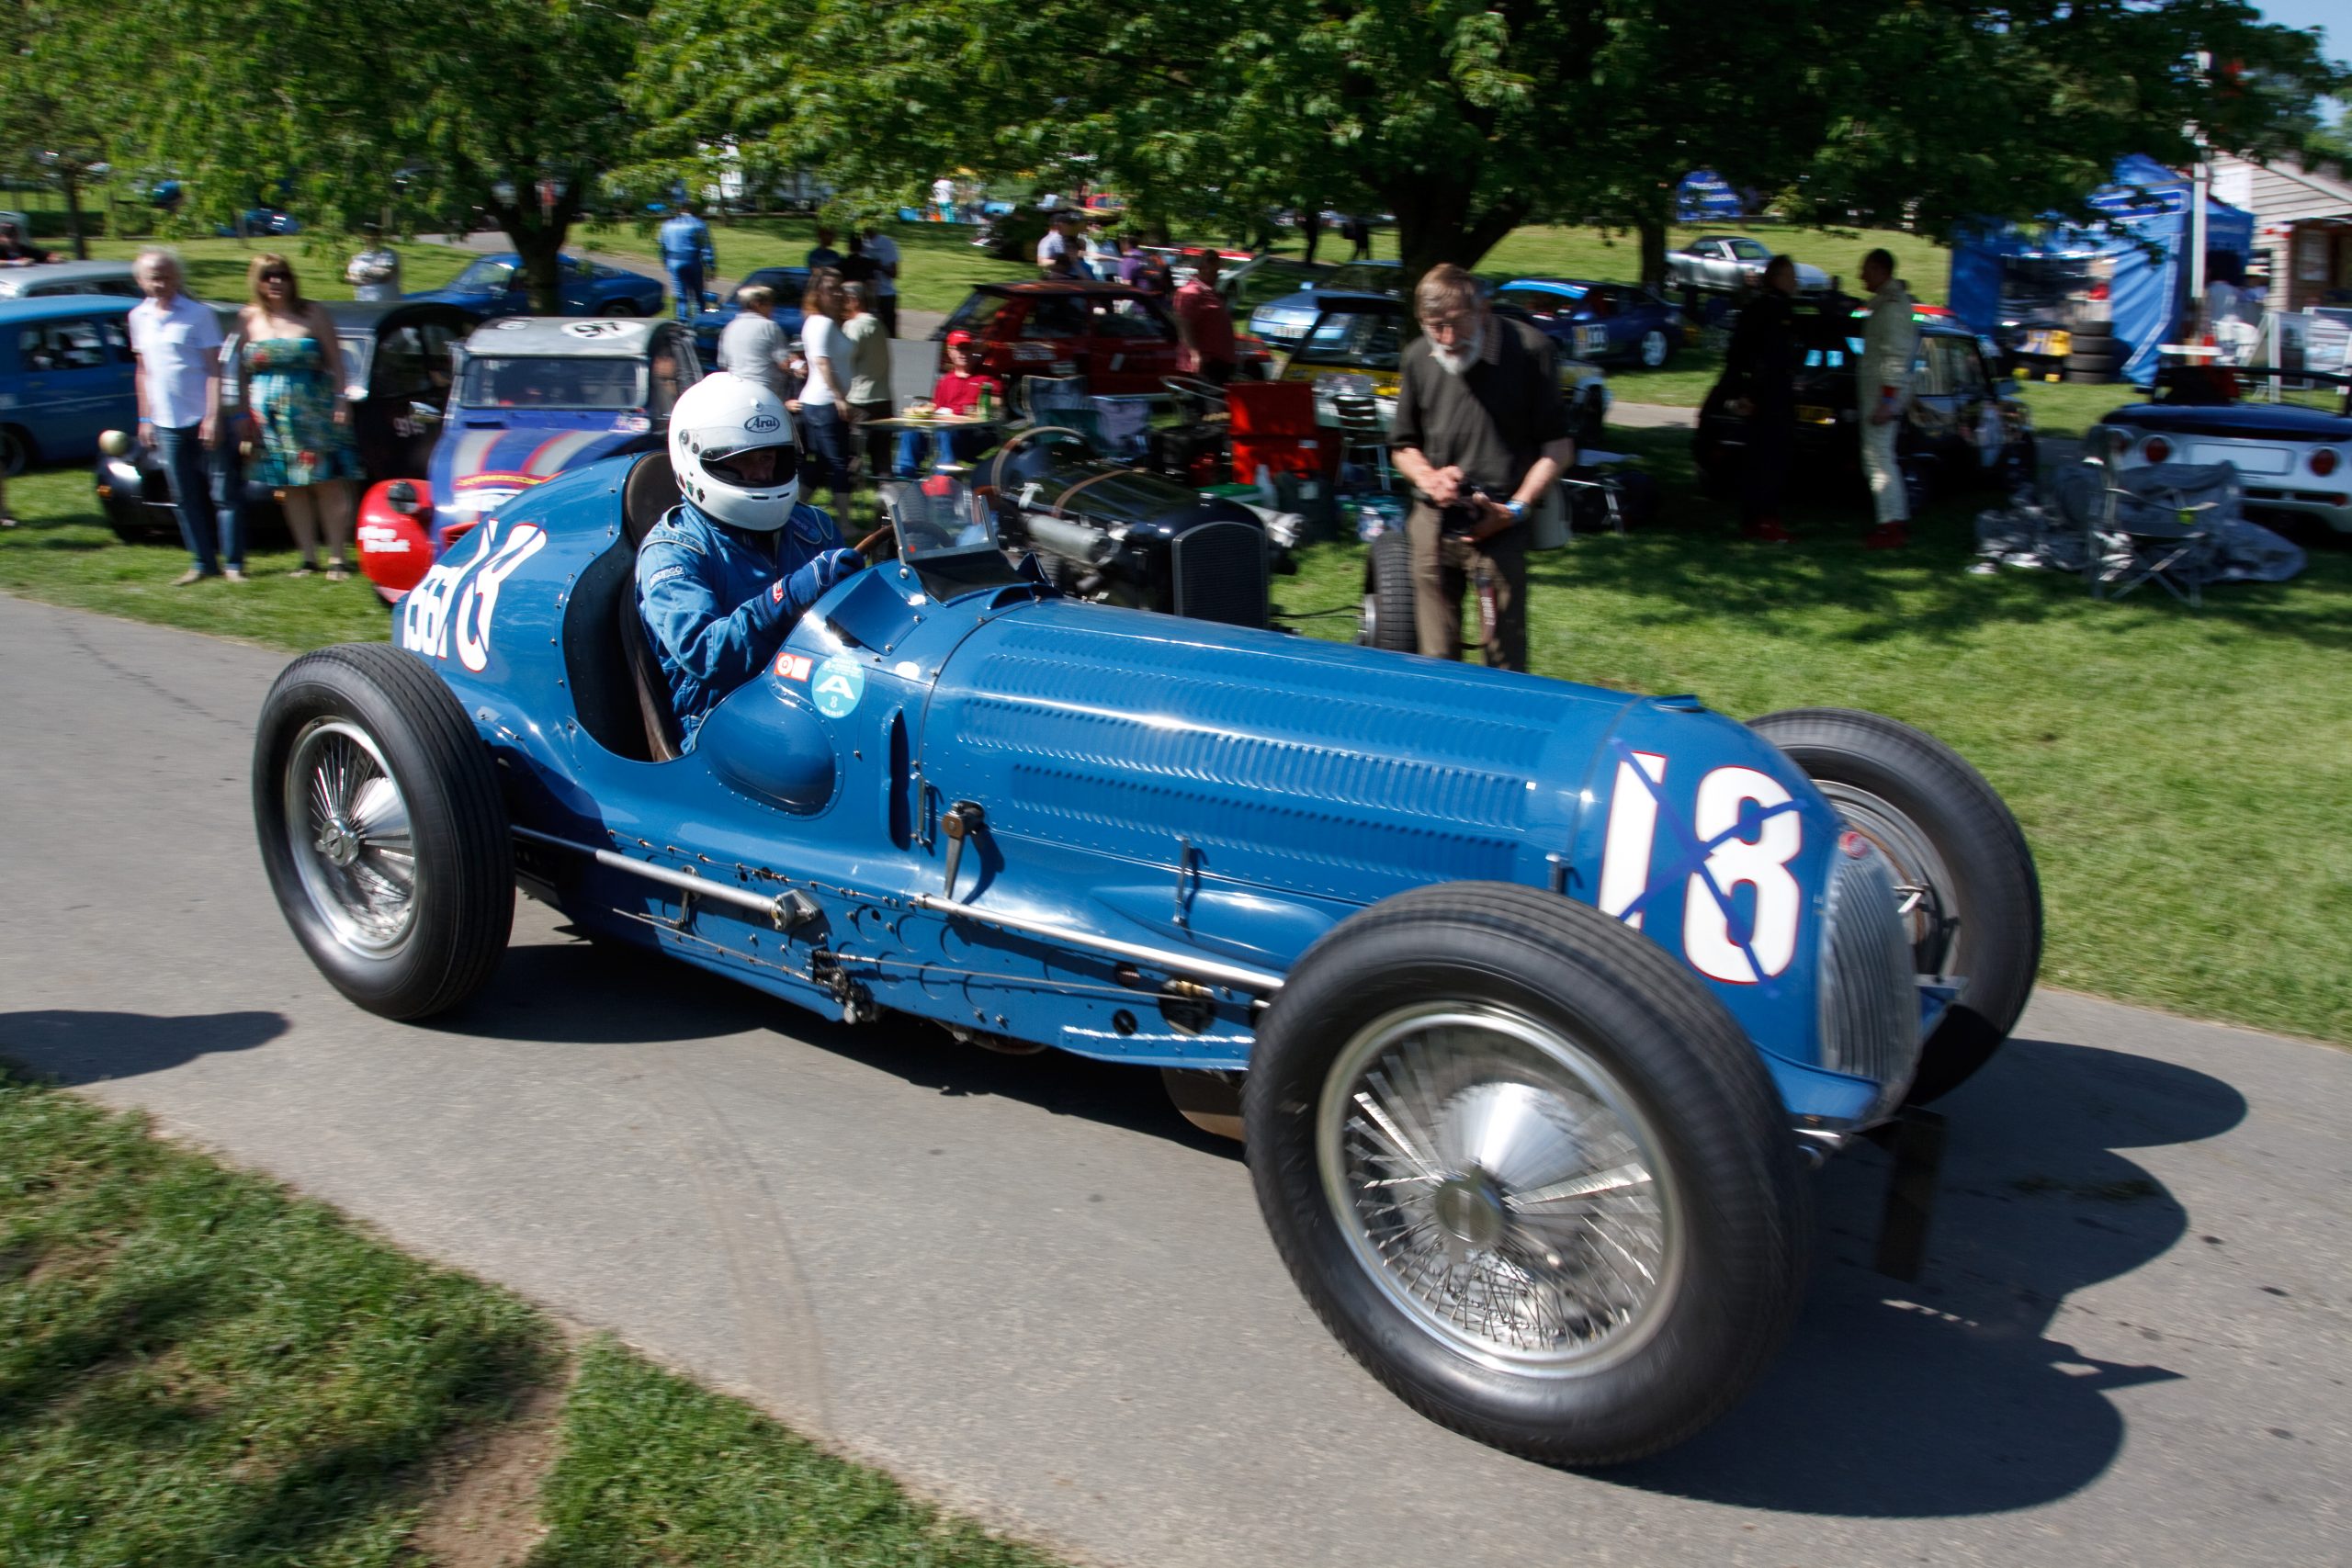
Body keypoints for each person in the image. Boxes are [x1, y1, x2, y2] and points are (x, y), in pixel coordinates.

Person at [636, 375, 862, 750]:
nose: (760, 473)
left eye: (768, 458)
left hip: (814, 696)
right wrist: (787, 596)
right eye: (742, 461)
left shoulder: (813, 527)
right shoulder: (672, 551)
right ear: (699, 459)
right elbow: (708, 656)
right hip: (720, 723)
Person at [1388, 263, 1575, 671]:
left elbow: (1558, 447)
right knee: (1436, 658)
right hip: (1434, 523)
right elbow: (1402, 446)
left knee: (1505, 659)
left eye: (1457, 323)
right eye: (1435, 326)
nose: (1448, 339)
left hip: (1501, 521)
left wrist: (1517, 509)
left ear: (1483, 310)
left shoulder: (1530, 351)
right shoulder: (1418, 356)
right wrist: (1429, 477)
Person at [240, 254, 364, 578]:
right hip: (270, 418)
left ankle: (337, 556)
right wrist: (243, 414)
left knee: (327, 483)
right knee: (290, 486)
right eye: (268, 276)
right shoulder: (248, 318)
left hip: (315, 412)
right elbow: (241, 371)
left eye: (282, 274)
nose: (276, 281)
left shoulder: (312, 313)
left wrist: (342, 401)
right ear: (257, 281)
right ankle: (308, 557)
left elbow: (337, 362)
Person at [130, 248, 242, 584]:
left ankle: (234, 564)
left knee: (224, 493)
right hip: (165, 421)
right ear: (141, 281)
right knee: (184, 496)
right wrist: (145, 418)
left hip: (202, 416)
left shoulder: (198, 314)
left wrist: (212, 416)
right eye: (153, 277)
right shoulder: (138, 317)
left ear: (177, 277)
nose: (160, 283)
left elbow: (213, 370)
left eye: (166, 276)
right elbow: (142, 371)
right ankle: (201, 562)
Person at [1719, 254, 1803, 543]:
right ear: (1778, 277)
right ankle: (1763, 518)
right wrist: (1745, 392)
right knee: (1769, 458)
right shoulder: (1772, 310)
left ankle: (1756, 517)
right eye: (1791, 276)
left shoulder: (1764, 307)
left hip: (1767, 391)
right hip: (1768, 394)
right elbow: (1754, 355)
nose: (1796, 282)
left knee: (1763, 457)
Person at [1856, 246, 1917, 549]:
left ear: (1881, 271)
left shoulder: (1892, 308)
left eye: (1866, 269)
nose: (1861, 275)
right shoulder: (1885, 304)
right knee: (1878, 460)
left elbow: (1896, 355)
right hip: (1878, 394)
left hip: (1882, 395)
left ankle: (1890, 526)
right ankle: (1894, 521)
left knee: (1879, 461)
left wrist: (1888, 400)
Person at [787, 270, 854, 517]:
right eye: (831, 289)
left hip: (821, 403)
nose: (837, 294)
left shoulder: (825, 322)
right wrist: (839, 398)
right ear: (817, 294)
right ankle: (845, 521)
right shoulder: (821, 323)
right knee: (838, 463)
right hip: (824, 403)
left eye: (839, 288)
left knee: (824, 462)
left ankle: (792, 510)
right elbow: (822, 362)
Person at [895, 331, 1003, 475]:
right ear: (950, 352)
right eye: (959, 349)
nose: (963, 353)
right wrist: (919, 411)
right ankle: (905, 476)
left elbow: (996, 405)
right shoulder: (945, 380)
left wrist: (968, 412)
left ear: (973, 351)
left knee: (946, 430)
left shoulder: (988, 376)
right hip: (945, 431)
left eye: (967, 348)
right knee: (911, 430)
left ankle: (943, 481)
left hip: (975, 433)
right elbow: (936, 407)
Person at [841, 281, 894, 484]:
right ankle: (889, 506)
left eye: (842, 300)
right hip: (884, 399)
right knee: (882, 461)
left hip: (860, 401)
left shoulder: (855, 326)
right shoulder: (878, 324)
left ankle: (848, 501)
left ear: (853, 301)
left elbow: (845, 356)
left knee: (853, 455)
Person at [1171, 251, 1238, 386]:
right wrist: (1195, 354)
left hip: (1219, 363)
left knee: (1220, 404)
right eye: (1212, 271)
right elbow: (1185, 324)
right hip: (1207, 363)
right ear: (1201, 269)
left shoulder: (1209, 291)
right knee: (1212, 405)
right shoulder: (1190, 292)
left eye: (1217, 271)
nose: (1216, 276)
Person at [717, 283, 793, 396]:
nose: (773, 309)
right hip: (766, 390)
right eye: (769, 304)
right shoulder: (769, 326)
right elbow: (784, 364)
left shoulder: (730, 327)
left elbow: (723, 364)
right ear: (757, 304)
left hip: (737, 390)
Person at [659, 202, 715, 322]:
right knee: (698, 294)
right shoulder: (698, 224)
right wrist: (710, 265)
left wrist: (665, 262)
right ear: (692, 210)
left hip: (674, 261)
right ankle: (700, 320)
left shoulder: (667, 225)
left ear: (680, 210)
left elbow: (662, 246)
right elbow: (706, 246)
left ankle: (682, 321)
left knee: (680, 295)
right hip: (692, 260)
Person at [860, 222, 901, 336]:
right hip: (867, 295)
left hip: (885, 294)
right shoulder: (861, 242)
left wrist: (879, 266)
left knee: (889, 333)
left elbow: (894, 273)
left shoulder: (887, 243)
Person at [345, 226, 401, 302]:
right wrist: (371, 278)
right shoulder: (358, 258)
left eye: (375, 235)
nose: (371, 238)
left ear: (380, 237)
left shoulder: (389, 254)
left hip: (387, 304)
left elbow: (386, 274)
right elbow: (348, 277)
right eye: (367, 235)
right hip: (363, 303)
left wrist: (362, 273)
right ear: (363, 237)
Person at [1036, 211, 1075, 278]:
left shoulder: (1063, 239)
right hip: (1055, 279)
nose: (1070, 226)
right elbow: (1041, 262)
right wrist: (1060, 262)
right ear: (1059, 225)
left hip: (1067, 277)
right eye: (1067, 224)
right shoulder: (1048, 241)